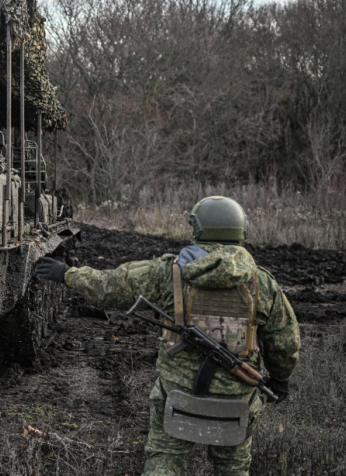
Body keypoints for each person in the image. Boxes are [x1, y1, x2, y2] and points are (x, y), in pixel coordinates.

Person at [36, 196, 300, 476]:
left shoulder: (168, 272)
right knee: (232, 469)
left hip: (177, 396)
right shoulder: (263, 283)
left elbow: (111, 286)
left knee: (163, 462)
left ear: (196, 227)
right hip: (237, 400)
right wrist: (280, 379)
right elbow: (285, 343)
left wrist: (66, 274)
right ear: (242, 229)